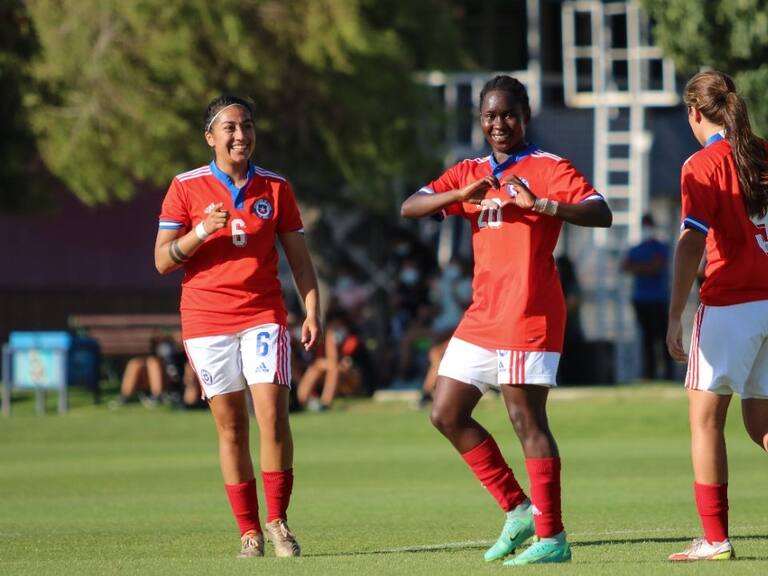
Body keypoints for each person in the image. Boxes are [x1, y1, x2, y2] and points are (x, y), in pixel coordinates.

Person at [400, 75, 612, 566]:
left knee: (526, 420)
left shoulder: (547, 166)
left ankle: (553, 537)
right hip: (482, 316)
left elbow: (600, 212)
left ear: (525, 116)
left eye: (508, 115)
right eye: (490, 116)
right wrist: (459, 195)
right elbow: (410, 206)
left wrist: (541, 204)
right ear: (480, 119)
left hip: (528, 311)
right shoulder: (471, 171)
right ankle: (518, 509)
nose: (499, 124)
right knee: (445, 412)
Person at [155, 95, 320, 559]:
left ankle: (278, 523)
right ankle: (248, 531)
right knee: (231, 429)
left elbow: (300, 263)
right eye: (229, 127)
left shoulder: (276, 188)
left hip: (263, 314)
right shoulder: (185, 188)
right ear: (210, 137)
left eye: (247, 125)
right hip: (206, 321)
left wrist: (312, 310)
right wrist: (201, 231)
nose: (240, 135)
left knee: (272, 416)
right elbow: (162, 260)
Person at [666, 70, 768, 562]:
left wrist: (673, 316)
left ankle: (715, 539)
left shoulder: (701, 164)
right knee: (760, 419)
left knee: (706, 419)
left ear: (694, 112)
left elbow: (691, 241)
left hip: (731, 303)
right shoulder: (764, 151)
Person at [622, 213, 675, 380]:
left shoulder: (660, 247)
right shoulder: (636, 248)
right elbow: (625, 266)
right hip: (641, 299)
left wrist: (638, 268)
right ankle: (649, 374)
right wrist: (645, 268)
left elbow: (655, 267)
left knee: (662, 337)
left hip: (658, 299)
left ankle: (668, 374)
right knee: (647, 339)